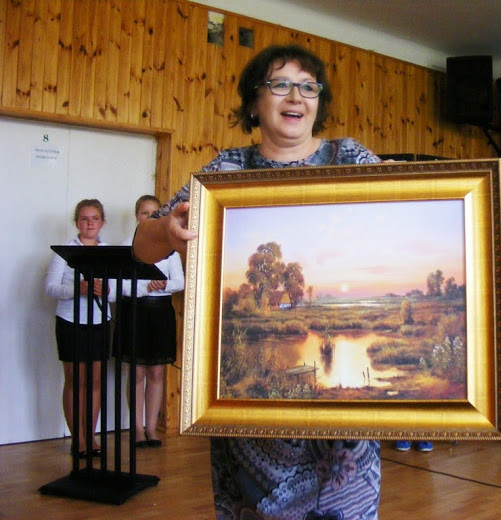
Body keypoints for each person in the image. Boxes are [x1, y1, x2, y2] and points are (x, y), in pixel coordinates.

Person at [133, 44, 381, 519]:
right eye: (280, 84)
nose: (297, 96)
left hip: (342, 430)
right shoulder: (225, 171)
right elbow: (142, 246)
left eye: (309, 86)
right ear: (253, 101)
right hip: (246, 413)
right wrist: (167, 230)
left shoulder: (349, 156)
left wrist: (408, 190)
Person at [45, 199, 112, 458]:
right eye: (84, 218)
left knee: (95, 382)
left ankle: (91, 437)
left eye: (95, 218)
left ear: (102, 222)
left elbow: (116, 292)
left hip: (100, 322)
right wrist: (79, 288)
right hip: (70, 323)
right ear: (76, 223)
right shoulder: (64, 251)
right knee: (76, 381)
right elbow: (50, 288)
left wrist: (106, 290)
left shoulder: (110, 253)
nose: (90, 223)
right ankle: (78, 439)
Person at [120, 195, 184, 448]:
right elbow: (118, 286)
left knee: (156, 372)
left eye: (154, 213)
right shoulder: (127, 246)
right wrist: (146, 287)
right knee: (136, 372)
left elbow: (179, 282)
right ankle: (136, 428)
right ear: (137, 216)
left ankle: (151, 428)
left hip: (160, 314)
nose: (149, 217)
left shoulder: (170, 249)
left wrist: (163, 285)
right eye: (144, 213)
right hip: (135, 312)